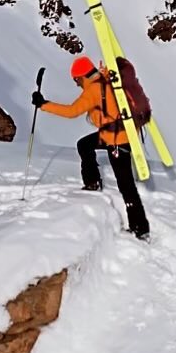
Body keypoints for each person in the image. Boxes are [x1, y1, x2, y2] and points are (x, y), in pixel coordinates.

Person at [33, 55, 150, 239]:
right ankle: (92, 182)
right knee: (85, 144)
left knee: (126, 185)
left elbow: (72, 112)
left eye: (76, 80)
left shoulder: (94, 89)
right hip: (119, 134)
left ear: (81, 76)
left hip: (116, 141)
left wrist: (43, 105)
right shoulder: (106, 79)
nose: (77, 84)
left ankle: (140, 229)